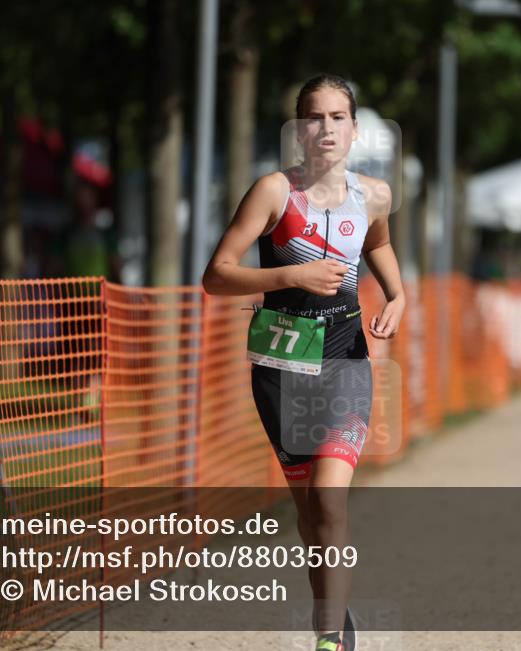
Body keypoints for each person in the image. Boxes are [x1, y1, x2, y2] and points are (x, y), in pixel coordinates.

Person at [202, 74, 405, 651]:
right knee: (310, 517)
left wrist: (398, 294)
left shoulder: (375, 195)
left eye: (338, 117)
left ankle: (327, 642)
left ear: (355, 128)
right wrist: (289, 276)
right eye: (315, 117)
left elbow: (378, 243)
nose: (326, 129)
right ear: (299, 129)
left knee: (330, 498)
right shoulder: (272, 192)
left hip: (345, 356)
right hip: (280, 363)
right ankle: (334, 618)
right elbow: (216, 276)